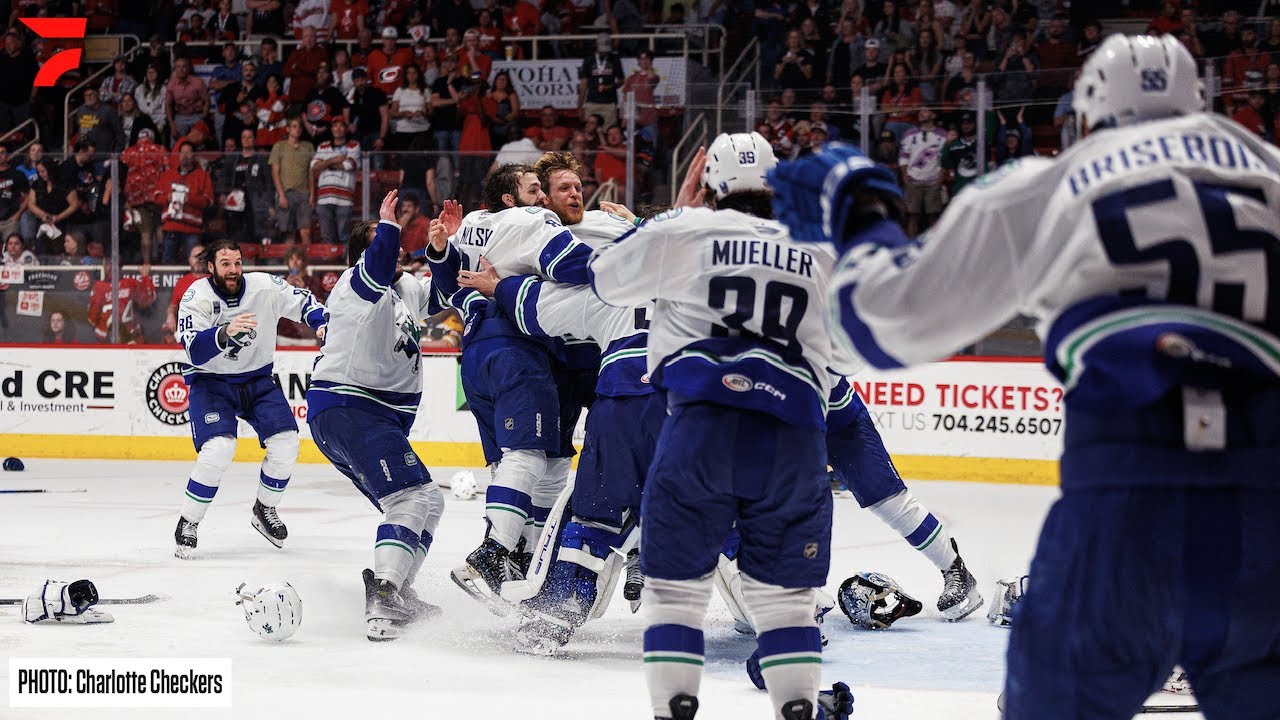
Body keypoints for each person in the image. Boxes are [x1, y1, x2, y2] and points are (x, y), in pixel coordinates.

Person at [769, 34, 1280, 720]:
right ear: (1200, 100)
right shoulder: (1272, 169)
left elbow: (883, 326)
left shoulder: (1050, 182)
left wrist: (864, 219)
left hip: (1133, 487)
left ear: (1086, 115)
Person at [588, 134, 854, 720]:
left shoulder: (685, 231)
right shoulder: (819, 249)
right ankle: (797, 709)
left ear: (709, 185)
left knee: (677, 596)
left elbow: (604, 279)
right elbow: (852, 355)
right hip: (793, 436)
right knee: (787, 606)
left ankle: (674, 707)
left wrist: (676, 214)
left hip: (699, 426)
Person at [422, 167, 592, 611]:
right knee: (529, 456)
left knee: (537, 460)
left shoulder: (476, 223)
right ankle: (494, 554)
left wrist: (442, 251)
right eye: (535, 190)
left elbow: (449, 289)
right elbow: (570, 264)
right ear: (511, 200)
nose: (543, 198)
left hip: (479, 355)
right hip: (520, 350)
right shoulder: (531, 221)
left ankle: (522, 559)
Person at [307, 190, 445, 640]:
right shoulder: (354, 284)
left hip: (368, 414)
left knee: (429, 500)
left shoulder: (403, 289)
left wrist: (444, 247)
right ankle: (384, 592)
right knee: (409, 499)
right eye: (384, 241)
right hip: (352, 407)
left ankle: (399, 586)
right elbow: (381, 263)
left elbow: (444, 290)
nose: (398, 246)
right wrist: (387, 225)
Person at [175, 238, 328, 558]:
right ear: (211, 268)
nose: (233, 270)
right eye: (226, 264)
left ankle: (265, 508)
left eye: (238, 263)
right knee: (219, 449)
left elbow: (303, 301)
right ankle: (188, 521)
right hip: (211, 383)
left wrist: (321, 323)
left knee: (287, 441)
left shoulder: (263, 286)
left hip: (257, 380)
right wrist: (224, 332)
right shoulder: (196, 297)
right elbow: (194, 351)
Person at [154, 142, 214, 264]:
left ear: (194, 155)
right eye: (182, 152)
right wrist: (168, 197)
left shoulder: (202, 176)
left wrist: (189, 199)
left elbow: (208, 201)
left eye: (188, 152)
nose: (185, 155)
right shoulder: (167, 175)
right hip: (170, 226)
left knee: (195, 265)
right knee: (168, 266)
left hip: (192, 229)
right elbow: (156, 197)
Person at [120, 128, 169, 263]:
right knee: (160, 228)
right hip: (157, 197)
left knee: (145, 234)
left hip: (137, 199)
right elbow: (168, 171)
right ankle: (163, 261)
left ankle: (146, 262)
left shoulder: (128, 152)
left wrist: (126, 199)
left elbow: (121, 175)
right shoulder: (160, 150)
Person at [311, 117, 360, 245]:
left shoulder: (354, 145)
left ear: (346, 129)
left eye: (341, 126)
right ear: (331, 129)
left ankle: (345, 264)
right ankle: (330, 264)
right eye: (335, 126)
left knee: (344, 236)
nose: (338, 129)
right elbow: (314, 166)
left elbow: (349, 165)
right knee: (326, 237)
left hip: (344, 198)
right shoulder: (323, 146)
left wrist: (325, 163)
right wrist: (334, 160)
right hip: (324, 198)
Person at [897, 107, 946, 235]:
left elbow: (945, 160)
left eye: (925, 111)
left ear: (933, 115)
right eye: (920, 111)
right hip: (913, 180)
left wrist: (940, 180)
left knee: (933, 218)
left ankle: (934, 249)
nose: (921, 113)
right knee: (913, 217)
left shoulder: (943, 135)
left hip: (933, 181)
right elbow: (903, 157)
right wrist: (905, 179)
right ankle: (910, 250)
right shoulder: (909, 134)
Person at [269, 117, 316, 245]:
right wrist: (281, 195)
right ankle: (288, 264)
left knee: (305, 231)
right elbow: (275, 172)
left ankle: (309, 263)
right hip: (286, 193)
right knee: (288, 232)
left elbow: (311, 172)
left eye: (299, 127)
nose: (297, 129)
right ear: (288, 129)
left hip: (303, 194)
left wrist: (312, 194)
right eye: (294, 126)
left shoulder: (308, 146)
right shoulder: (279, 146)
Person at [88, 263, 156, 343]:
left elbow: (92, 319)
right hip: (119, 339)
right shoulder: (130, 283)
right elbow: (148, 298)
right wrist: (145, 277)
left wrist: (145, 277)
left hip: (113, 340)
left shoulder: (129, 283)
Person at [276, 245, 330, 344]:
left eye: (298, 259)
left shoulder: (313, 282)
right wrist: (285, 288)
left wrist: (303, 290)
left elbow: (321, 305)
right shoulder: (281, 282)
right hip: (285, 334)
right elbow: (275, 305)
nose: (294, 263)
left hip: (307, 337)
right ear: (287, 261)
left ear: (304, 261)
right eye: (291, 259)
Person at [161, 243, 207, 343]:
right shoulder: (182, 282)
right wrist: (170, 315)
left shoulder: (214, 280)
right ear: (190, 260)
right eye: (195, 257)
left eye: (201, 257)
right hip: (186, 330)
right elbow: (172, 306)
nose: (198, 260)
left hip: (209, 328)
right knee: (167, 337)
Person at [578, 34, 624, 128]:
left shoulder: (614, 59)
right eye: (602, 50)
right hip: (592, 102)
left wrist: (611, 87)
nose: (604, 53)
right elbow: (583, 84)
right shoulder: (589, 60)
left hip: (609, 103)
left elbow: (621, 80)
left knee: (609, 130)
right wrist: (580, 106)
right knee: (590, 131)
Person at [0, 151, 29, 242]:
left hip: (11, 220)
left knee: (12, 250)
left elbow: (29, 196)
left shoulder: (17, 174)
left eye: (2, 153)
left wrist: (18, 214)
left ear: (8, 156)